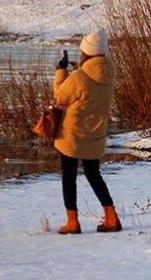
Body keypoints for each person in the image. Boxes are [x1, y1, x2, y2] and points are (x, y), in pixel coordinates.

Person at [52, 30, 122, 234]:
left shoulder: (80, 76)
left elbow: (60, 97)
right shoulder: (109, 74)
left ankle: (72, 222)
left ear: (86, 53)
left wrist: (61, 72)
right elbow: (91, 86)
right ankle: (111, 217)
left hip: (72, 134)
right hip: (96, 132)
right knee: (93, 174)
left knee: (69, 176)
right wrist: (78, 71)